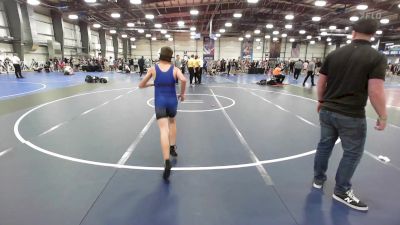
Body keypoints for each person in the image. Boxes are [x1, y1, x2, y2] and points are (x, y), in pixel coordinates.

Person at [313, 18, 387, 211]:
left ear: (353, 32)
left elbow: (320, 83)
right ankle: (342, 190)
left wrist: (321, 101)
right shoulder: (376, 57)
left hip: (328, 111)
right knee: (352, 153)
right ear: (373, 35)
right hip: (351, 115)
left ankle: (318, 180)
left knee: (324, 146)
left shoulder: (334, 54)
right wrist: (383, 115)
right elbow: (375, 91)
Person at [139, 46, 187, 180]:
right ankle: (172, 147)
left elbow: (141, 85)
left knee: (163, 130)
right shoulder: (175, 69)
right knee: (172, 122)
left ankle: (167, 161)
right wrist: (182, 94)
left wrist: (152, 84)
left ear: (160, 56)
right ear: (170, 57)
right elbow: (183, 80)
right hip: (172, 101)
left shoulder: (153, 69)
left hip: (160, 102)